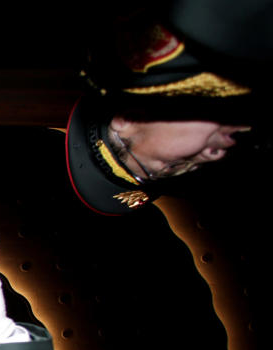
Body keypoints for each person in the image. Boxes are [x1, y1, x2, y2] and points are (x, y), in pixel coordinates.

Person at [65, 0, 271, 215]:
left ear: (129, 119)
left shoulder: (212, 22)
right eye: (191, 166)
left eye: (169, 165)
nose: (215, 155)